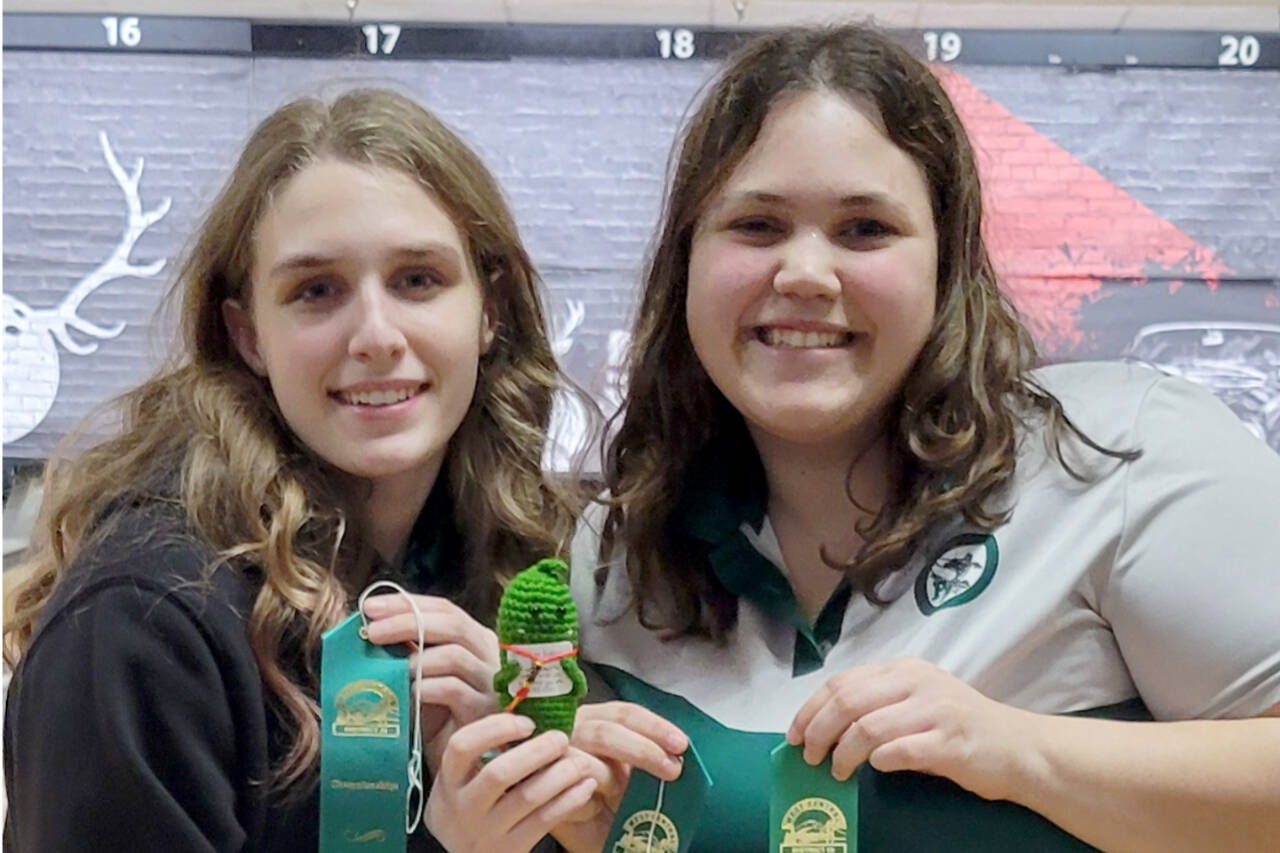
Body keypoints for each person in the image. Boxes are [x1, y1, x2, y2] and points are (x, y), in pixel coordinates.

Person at [567, 24, 1280, 852]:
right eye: (756, 225)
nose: (803, 272)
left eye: (865, 228)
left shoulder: (1118, 453)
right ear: (684, 263)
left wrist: (1020, 752)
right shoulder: (617, 552)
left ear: (946, 268)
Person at [3, 88, 602, 852]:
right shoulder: (140, 623)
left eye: (418, 278)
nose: (377, 336)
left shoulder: (516, 574)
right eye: (316, 291)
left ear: (491, 310)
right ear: (248, 335)